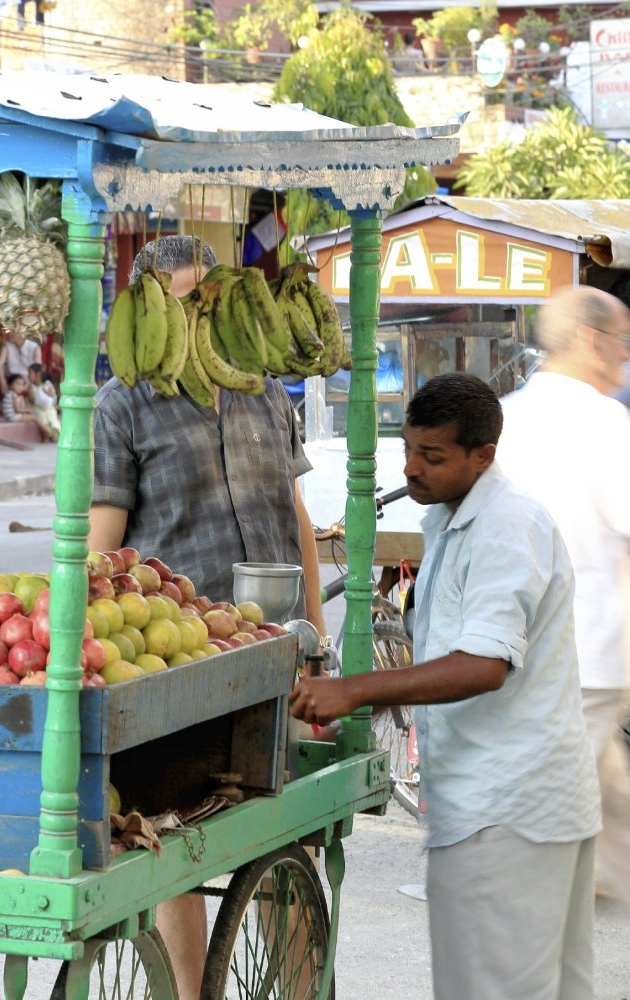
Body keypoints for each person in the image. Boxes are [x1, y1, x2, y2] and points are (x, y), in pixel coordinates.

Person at [290, 372, 601, 1000]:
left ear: (482, 457)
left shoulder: (505, 528)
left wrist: (357, 690)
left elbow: (484, 664)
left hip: (510, 812)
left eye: (432, 457)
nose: (412, 469)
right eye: (407, 449)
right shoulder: (453, 520)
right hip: (507, 804)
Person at [88, 234, 324, 1000]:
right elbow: (103, 546)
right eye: (177, 306)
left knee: (285, 836)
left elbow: (295, 515)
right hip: (175, 664)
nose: (195, 321)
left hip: (273, 653)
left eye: (205, 303)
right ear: (149, 311)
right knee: (171, 835)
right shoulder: (122, 403)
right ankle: (190, 993)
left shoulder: (260, 388)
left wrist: (316, 636)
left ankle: (292, 986)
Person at [495, 284, 630, 905]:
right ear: (590, 340)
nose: (625, 357)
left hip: (527, 640)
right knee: (567, 798)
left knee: (599, 786)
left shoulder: (506, 416)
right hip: (589, 647)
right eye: (623, 342)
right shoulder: (604, 421)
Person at [1, 372, 57, 442]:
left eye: (22, 385)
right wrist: (28, 411)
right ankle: (48, 432)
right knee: (35, 418)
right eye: (18, 384)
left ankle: (46, 437)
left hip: (12, 416)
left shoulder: (13, 395)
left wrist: (23, 404)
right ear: (11, 386)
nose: (20, 387)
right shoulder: (13, 395)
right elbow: (18, 410)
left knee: (34, 416)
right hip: (12, 417)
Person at [0, 330, 41, 400]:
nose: (10, 334)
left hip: (28, 382)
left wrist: (30, 385)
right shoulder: (7, 345)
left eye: (13, 332)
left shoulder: (34, 347)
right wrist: (3, 383)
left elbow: (37, 369)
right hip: (11, 381)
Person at [26, 362, 61, 441]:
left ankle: (55, 432)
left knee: (51, 415)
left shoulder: (47, 384)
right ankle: (46, 435)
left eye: (30, 373)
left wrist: (49, 395)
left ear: (37, 374)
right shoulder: (31, 387)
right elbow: (32, 400)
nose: (28, 376)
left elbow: (53, 398)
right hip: (37, 408)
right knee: (41, 416)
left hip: (48, 408)